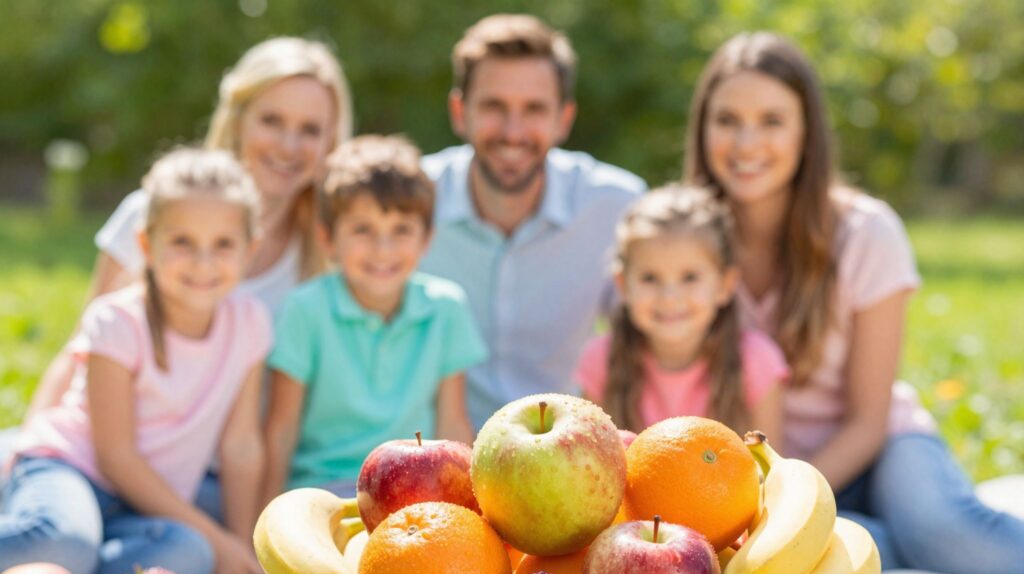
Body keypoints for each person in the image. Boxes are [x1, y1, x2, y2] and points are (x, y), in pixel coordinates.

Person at [684, 31, 1024, 574]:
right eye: (727, 121)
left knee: (946, 534)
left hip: (878, 447)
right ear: (703, 130)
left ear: (806, 134)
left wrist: (787, 509)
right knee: (858, 555)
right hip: (760, 476)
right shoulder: (681, 246)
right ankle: (886, 536)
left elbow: (869, 419)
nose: (746, 143)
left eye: (772, 121)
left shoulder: (866, 233)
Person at [24, 36, 352, 423]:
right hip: (111, 446)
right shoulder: (152, 214)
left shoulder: (330, 251)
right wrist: (29, 446)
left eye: (310, 130)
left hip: (229, 471)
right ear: (237, 119)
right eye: (271, 120)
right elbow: (79, 353)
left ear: (331, 140)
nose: (288, 145)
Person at [1, 148, 269, 574]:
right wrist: (216, 536)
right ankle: (56, 550)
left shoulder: (250, 323)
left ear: (250, 250)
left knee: (191, 555)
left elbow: (241, 445)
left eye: (223, 244)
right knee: (63, 542)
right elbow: (116, 457)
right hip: (69, 470)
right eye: (182, 242)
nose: (204, 262)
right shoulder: (117, 322)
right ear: (146, 245)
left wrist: (236, 544)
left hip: (140, 508)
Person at [420, 14, 647, 429]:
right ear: (459, 111)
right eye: (494, 106)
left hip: (565, 453)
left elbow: (652, 343)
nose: (512, 131)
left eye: (534, 109)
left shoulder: (618, 206)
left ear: (564, 118)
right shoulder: (410, 204)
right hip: (435, 456)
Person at [261, 135, 487, 502]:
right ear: (328, 238)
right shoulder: (305, 309)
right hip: (323, 490)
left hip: (416, 487)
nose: (383, 250)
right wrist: (265, 519)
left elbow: (453, 423)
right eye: (362, 230)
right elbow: (280, 429)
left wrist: (469, 508)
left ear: (426, 239)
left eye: (401, 231)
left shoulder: (446, 308)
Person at [575, 184, 787, 438]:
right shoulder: (601, 361)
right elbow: (595, 464)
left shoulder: (756, 362)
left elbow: (770, 470)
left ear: (725, 284)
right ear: (622, 284)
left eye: (689, 277)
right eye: (650, 278)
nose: (670, 298)